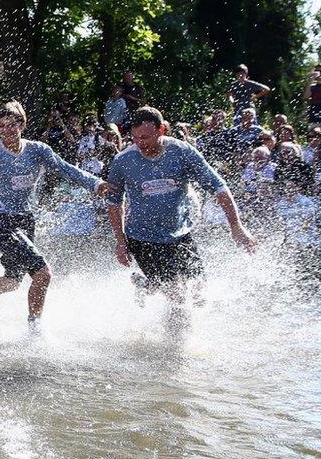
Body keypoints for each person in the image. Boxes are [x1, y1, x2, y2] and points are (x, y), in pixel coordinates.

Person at [0, 101, 109, 329]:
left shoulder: (38, 151)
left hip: (26, 222)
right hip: (3, 224)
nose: (7, 130)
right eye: (1, 126)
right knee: (43, 274)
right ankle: (34, 327)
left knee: (12, 281)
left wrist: (95, 184)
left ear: (22, 125)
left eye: (11, 125)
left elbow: (65, 169)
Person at [106, 106, 256, 315]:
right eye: (136, 137)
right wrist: (120, 242)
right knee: (177, 297)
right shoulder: (123, 161)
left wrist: (236, 226)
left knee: (199, 294)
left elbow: (218, 187)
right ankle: (176, 346)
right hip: (143, 238)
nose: (141, 143)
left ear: (161, 131)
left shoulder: (182, 152)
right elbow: (114, 203)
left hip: (179, 234)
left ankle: (147, 285)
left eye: (146, 137)